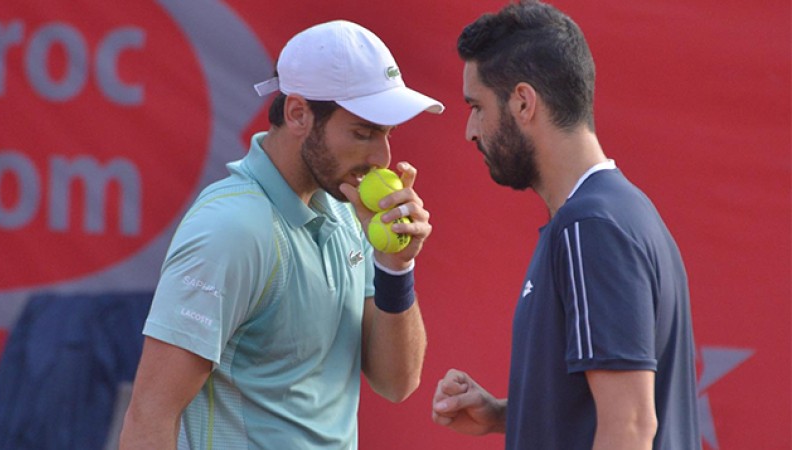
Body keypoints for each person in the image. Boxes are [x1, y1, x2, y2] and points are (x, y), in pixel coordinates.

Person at [119, 20, 443, 449]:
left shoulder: (351, 213)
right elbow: (150, 415)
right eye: (363, 133)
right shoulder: (230, 230)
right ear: (297, 114)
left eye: (386, 134)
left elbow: (397, 382)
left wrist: (396, 266)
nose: (381, 157)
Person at [431, 2, 700, 449]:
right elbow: (603, 409)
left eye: (477, 107)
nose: (470, 130)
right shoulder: (612, 215)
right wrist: (503, 414)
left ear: (523, 102)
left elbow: (630, 425)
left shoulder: (591, 226)